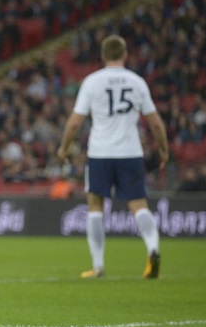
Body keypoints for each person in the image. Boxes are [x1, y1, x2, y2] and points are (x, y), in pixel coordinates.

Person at [57, 34, 169, 280]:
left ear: (103, 55)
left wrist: (64, 148)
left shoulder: (92, 82)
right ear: (125, 54)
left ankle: (97, 266)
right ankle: (153, 250)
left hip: (100, 153)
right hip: (131, 152)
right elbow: (155, 123)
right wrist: (163, 149)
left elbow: (75, 122)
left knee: (95, 206)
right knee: (138, 204)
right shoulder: (137, 82)